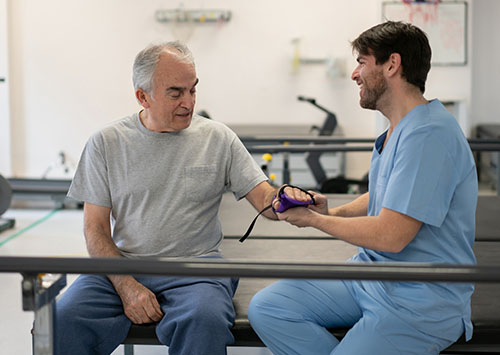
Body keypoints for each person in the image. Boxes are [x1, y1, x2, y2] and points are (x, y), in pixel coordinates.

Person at [249, 21, 478, 355]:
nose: (354, 74)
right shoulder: (395, 130)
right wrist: (331, 211)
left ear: (392, 65)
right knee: (269, 308)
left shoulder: (428, 135)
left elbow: (391, 235)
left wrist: (314, 221)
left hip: (421, 300)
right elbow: (391, 193)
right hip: (370, 275)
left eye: (361, 62)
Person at [55, 41, 283, 355]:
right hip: (124, 267)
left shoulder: (218, 138)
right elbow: (95, 230)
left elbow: (266, 199)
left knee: (204, 321)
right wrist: (126, 285)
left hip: (198, 270)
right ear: (142, 96)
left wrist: (290, 200)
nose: (188, 103)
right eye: (176, 93)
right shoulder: (106, 143)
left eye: (193, 90)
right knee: (63, 318)